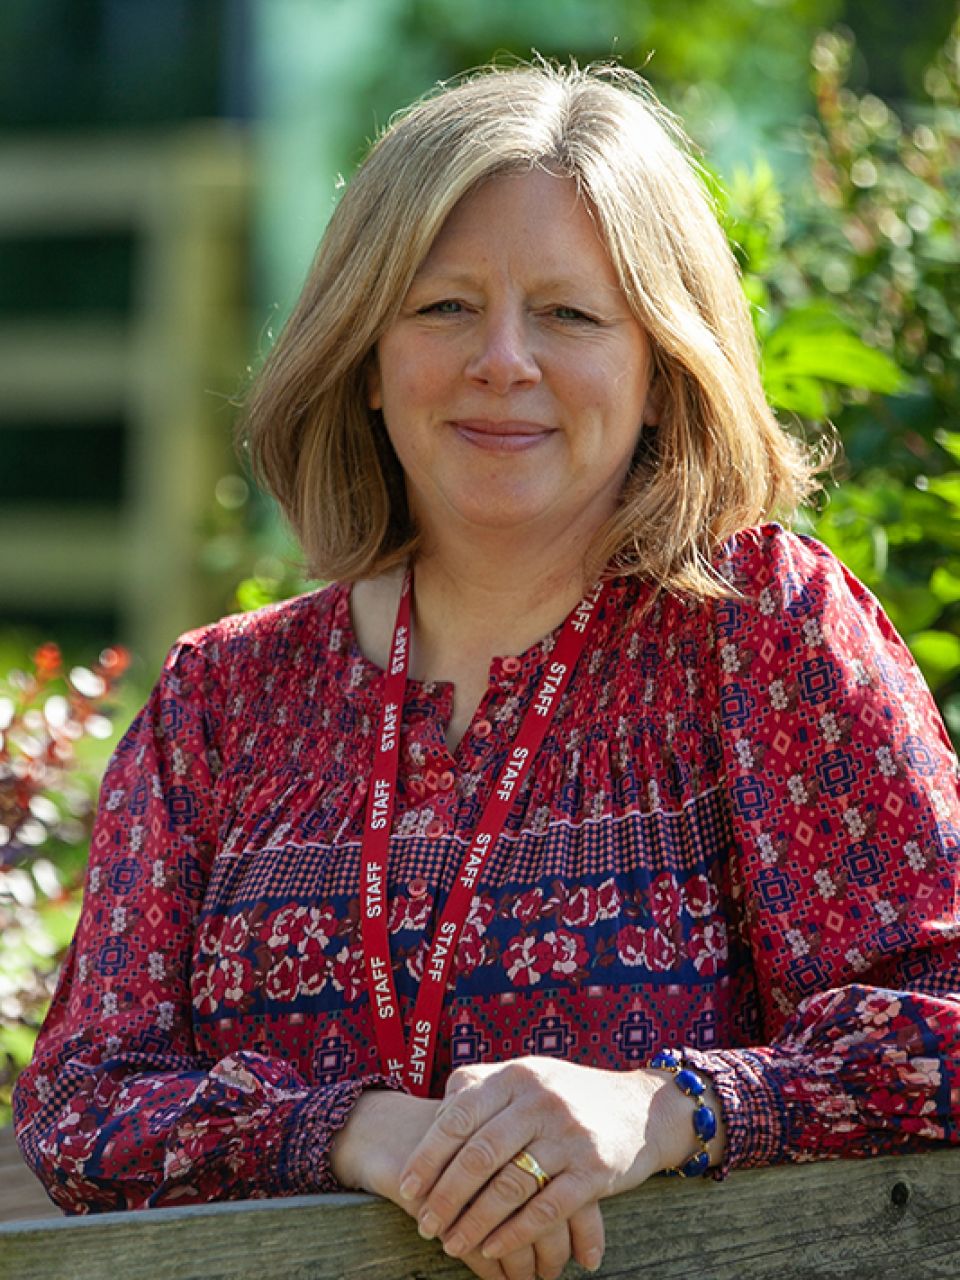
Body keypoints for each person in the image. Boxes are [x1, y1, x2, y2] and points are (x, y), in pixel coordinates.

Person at [14, 60, 960, 1280]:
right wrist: (357, 1129)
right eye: (445, 306)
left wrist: (666, 1106)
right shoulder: (223, 701)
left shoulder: (760, 632)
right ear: (366, 355)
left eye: (569, 314)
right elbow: (86, 1099)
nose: (502, 359)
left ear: (661, 368)